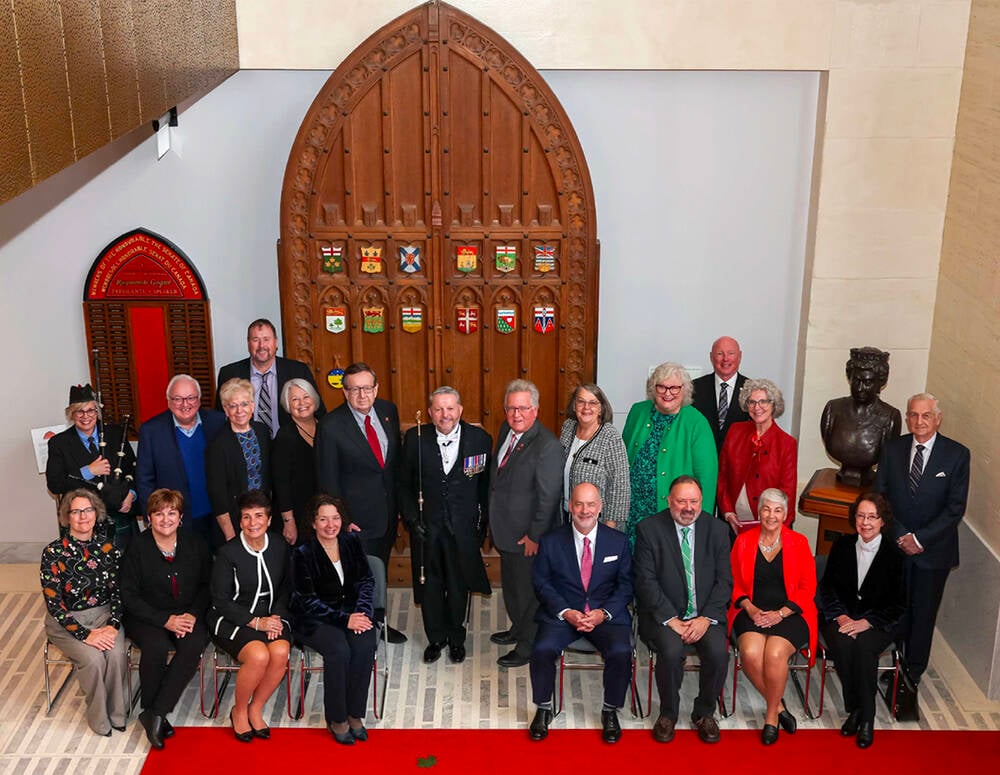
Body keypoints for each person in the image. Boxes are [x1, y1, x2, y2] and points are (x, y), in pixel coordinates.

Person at [874, 392, 969, 686]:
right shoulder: (892, 449)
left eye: (926, 415)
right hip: (896, 546)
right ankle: (894, 662)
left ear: (937, 419)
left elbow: (955, 508)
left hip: (933, 552)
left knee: (923, 613)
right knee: (896, 608)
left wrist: (920, 538)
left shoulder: (957, 455)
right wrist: (901, 534)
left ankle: (911, 673)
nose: (919, 421)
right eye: (913, 415)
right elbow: (880, 498)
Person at [528, 483, 633, 744]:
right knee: (541, 648)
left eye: (590, 505)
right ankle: (543, 707)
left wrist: (603, 613)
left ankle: (610, 710)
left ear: (600, 507)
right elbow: (542, 583)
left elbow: (627, 584)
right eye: (578, 504)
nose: (584, 510)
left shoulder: (618, 542)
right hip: (563, 614)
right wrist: (566, 612)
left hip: (604, 615)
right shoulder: (551, 541)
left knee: (621, 652)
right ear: (569, 506)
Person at [634, 475, 732, 744]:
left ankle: (704, 712)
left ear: (702, 502)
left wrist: (705, 618)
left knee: (718, 653)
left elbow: (725, 581)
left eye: (694, 501)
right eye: (681, 501)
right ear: (669, 501)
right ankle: (668, 713)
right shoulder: (649, 529)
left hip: (704, 614)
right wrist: (670, 619)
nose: (688, 508)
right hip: (664, 615)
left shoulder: (718, 530)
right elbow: (645, 581)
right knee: (671, 650)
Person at [399, 387, 492, 664]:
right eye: (438, 409)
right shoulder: (415, 439)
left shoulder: (480, 440)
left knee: (458, 584)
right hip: (426, 530)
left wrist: (481, 524)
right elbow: (403, 485)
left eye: (450, 408)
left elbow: (485, 487)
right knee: (430, 585)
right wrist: (412, 520)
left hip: (462, 530)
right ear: (430, 413)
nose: (445, 414)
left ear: (460, 410)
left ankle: (456, 637)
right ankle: (436, 637)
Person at [315, 362, 405, 643]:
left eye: (367, 388)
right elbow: (327, 480)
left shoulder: (388, 412)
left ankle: (378, 623)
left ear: (376, 389)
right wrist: (340, 519)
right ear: (345, 392)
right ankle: (359, 632)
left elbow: (393, 465)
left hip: (388, 513)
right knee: (357, 579)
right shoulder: (331, 426)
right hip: (354, 519)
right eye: (354, 389)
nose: (361, 395)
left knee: (379, 573)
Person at [120, 488, 212, 749]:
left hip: (187, 613)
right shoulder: (136, 547)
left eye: (172, 513)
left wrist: (192, 614)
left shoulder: (195, 543)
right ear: (148, 519)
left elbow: (208, 585)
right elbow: (129, 595)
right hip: (146, 614)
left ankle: (155, 712)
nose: (166, 519)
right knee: (156, 647)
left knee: (193, 645)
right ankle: (153, 711)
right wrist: (165, 620)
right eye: (158, 514)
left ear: (180, 517)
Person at [729, 488, 817, 745]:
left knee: (775, 654)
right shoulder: (744, 541)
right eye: (766, 509)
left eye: (777, 510)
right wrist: (751, 608)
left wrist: (780, 613)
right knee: (751, 654)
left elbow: (807, 587)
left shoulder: (799, 542)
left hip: (790, 613)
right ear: (759, 512)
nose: (771, 515)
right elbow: (732, 581)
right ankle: (779, 707)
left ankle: (770, 717)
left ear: (786, 514)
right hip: (751, 611)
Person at [818, 493, 905, 749]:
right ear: (853, 517)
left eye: (872, 517)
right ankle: (855, 708)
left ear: (882, 521)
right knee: (843, 646)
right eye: (860, 516)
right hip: (840, 615)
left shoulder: (895, 555)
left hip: (878, 621)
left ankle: (866, 718)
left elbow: (898, 604)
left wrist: (867, 622)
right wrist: (842, 616)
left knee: (865, 649)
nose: (865, 522)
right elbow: (827, 589)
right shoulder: (842, 546)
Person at [290, 495, 377, 745]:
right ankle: (337, 718)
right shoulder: (302, 554)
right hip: (316, 619)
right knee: (339, 651)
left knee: (364, 645)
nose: (331, 524)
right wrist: (345, 619)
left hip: (352, 613)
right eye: (323, 519)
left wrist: (361, 613)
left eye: (336, 518)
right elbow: (305, 600)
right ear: (313, 523)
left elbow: (366, 581)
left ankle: (354, 713)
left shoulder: (351, 542)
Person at [39, 488, 127, 736]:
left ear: (96, 513)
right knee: (94, 660)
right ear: (66, 517)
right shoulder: (53, 553)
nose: (83, 516)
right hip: (66, 622)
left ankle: (117, 714)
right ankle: (99, 719)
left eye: (87, 510)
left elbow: (119, 593)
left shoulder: (109, 550)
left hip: (103, 615)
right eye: (76, 511)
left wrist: (112, 624)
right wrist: (85, 635)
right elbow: (54, 604)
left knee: (117, 653)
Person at [488, 379, 563, 668]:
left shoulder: (547, 446)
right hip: (506, 529)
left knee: (528, 594)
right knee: (512, 587)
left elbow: (548, 498)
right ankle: (517, 629)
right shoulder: (507, 430)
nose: (516, 414)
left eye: (523, 408)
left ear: (536, 410)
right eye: (511, 408)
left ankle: (528, 645)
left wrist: (535, 535)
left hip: (528, 536)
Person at [208, 489, 291, 742]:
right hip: (232, 618)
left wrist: (275, 618)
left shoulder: (279, 544)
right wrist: (257, 622)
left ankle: (256, 708)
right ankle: (239, 710)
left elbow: (287, 586)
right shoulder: (227, 553)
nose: (252, 523)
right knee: (258, 655)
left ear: (268, 519)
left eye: (258, 516)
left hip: (271, 616)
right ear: (240, 521)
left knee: (280, 652)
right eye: (246, 517)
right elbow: (220, 600)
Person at [622, 362, 718, 546]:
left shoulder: (697, 422)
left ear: (684, 390)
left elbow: (707, 478)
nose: (667, 393)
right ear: (653, 388)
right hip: (633, 511)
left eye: (674, 388)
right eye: (662, 387)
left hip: (671, 514)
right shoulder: (637, 411)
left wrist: (700, 524)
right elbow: (622, 458)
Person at [136, 374, 226, 546]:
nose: (185, 404)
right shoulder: (151, 431)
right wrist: (153, 517)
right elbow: (144, 479)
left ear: (199, 400)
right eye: (178, 399)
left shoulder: (218, 422)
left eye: (191, 398)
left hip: (216, 516)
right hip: (173, 521)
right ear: (168, 401)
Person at [46, 383, 138, 549]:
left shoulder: (117, 434)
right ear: (71, 414)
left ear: (97, 412)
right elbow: (55, 484)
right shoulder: (59, 443)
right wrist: (88, 471)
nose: (85, 416)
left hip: (119, 516)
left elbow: (135, 470)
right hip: (82, 521)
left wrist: (131, 493)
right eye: (79, 411)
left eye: (90, 410)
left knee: (128, 569)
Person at [216, 318, 326, 438]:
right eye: (255, 340)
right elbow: (220, 417)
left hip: (289, 444)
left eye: (266, 339)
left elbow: (318, 410)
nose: (261, 345)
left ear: (276, 343)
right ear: (248, 344)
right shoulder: (229, 373)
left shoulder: (298, 370)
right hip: (247, 445)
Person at [717, 379, 798, 535]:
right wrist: (727, 511)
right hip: (734, 523)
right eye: (752, 402)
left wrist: (774, 529)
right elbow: (723, 477)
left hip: (769, 525)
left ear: (774, 404)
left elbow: (787, 492)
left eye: (763, 402)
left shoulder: (786, 444)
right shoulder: (735, 431)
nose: (757, 407)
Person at [821, 347, 902, 487]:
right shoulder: (832, 409)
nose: (860, 388)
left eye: (868, 382)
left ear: (880, 383)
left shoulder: (891, 417)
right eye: (856, 381)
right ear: (849, 378)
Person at [205, 378, 272, 546]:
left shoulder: (262, 432)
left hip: (263, 516)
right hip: (236, 520)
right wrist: (231, 537)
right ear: (226, 410)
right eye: (233, 406)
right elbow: (217, 495)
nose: (239, 410)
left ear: (252, 406)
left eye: (244, 404)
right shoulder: (218, 445)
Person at [559, 383, 630, 529]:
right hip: (566, 515)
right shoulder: (568, 427)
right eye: (581, 401)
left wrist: (610, 527)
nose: (586, 407)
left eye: (593, 403)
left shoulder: (610, 437)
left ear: (601, 408)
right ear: (574, 405)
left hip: (598, 522)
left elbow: (620, 486)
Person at [271, 378, 322, 545]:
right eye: (294, 399)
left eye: (306, 397)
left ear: (314, 399)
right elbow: (281, 483)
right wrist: (288, 521)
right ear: (287, 405)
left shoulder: (326, 427)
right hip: (297, 517)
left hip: (323, 515)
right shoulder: (285, 436)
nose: (302, 403)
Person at [691, 336, 750, 453]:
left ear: (740, 356)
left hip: (739, 464)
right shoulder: (693, 388)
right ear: (711, 357)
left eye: (731, 353)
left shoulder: (753, 391)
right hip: (702, 460)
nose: (726, 359)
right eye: (720, 354)